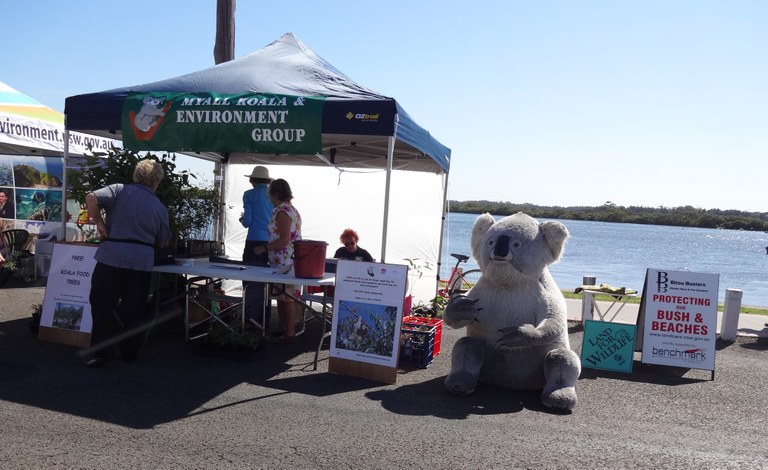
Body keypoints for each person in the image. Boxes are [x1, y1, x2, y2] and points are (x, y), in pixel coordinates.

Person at [84, 159, 171, 367]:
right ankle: (130, 352)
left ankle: (102, 352)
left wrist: (100, 224)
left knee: (102, 305)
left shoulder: (119, 190)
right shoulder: (159, 207)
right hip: (140, 261)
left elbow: (91, 197)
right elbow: (163, 241)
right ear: (156, 181)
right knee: (134, 309)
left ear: (136, 175)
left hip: (111, 255)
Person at [252, 178, 302, 343]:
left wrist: (264, 248)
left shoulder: (283, 212)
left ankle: (289, 333)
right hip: (286, 260)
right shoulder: (291, 209)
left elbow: (284, 239)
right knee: (283, 297)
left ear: (274, 194)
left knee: (287, 298)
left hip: (284, 261)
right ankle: (283, 329)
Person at [240, 166, 274, 329]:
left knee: (250, 280)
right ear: (267, 181)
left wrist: (242, 219)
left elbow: (247, 221)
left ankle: (250, 319)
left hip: (253, 241)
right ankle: (264, 319)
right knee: (266, 281)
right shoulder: (273, 196)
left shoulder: (249, 195)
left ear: (252, 180)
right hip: (270, 243)